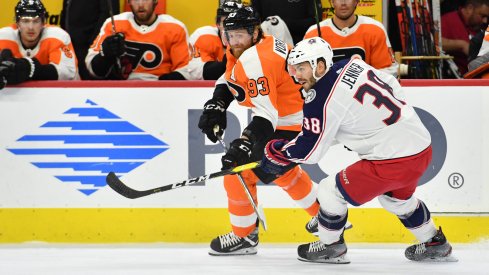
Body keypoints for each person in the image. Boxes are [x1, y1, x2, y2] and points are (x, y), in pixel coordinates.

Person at [261, 37, 456, 263]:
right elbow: (392, 84)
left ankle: (330, 246)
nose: (296, 75)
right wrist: (381, 124)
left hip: (393, 160)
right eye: (294, 69)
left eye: (302, 68)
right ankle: (435, 242)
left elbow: (310, 152)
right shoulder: (351, 64)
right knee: (396, 200)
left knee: (328, 191)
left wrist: (278, 153)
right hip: (421, 145)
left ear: (320, 66)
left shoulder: (319, 98)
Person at [197, 6, 321, 256]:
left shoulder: (256, 61)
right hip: (295, 118)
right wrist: (217, 103)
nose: (234, 41)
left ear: (255, 33)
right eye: (229, 35)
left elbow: (266, 115)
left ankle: (245, 236)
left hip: (291, 125)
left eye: (240, 35)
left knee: (238, 172)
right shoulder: (250, 48)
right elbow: (230, 75)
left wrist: (245, 142)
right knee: (280, 172)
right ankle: (326, 217)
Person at [85, 0, 190, 80]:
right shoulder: (113, 24)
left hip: (161, 95)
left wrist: (164, 84)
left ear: (155, 1)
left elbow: (187, 70)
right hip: (119, 92)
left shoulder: (175, 28)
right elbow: (91, 69)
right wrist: (105, 56)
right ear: (129, 1)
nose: (140, 4)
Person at [303, 0, 398, 77]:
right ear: (332, 1)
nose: (343, 3)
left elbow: (388, 72)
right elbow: (303, 72)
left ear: (356, 1)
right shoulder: (313, 33)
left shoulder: (375, 29)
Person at [0, 0, 78, 90]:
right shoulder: (2, 37)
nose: (31, 27)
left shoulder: (58, 36)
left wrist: (31, 68)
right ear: (17, 23)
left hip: (62, 94)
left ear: (43, 23)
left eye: (36, 21)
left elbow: (67, 73)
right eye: (25, 21)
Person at [160, 0, 242, 80]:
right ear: (218, 24)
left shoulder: (250, 36)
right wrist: (229, 63)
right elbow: (196, 72)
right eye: (227, 22)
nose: (232, 27)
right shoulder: (203, 35)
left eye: (237, 21)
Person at [60, 0, 120, 80]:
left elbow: (108, 14)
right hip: (71, 49)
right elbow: (67, 11)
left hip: (92, 50)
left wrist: (93, 43)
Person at [441, 0, 489, 76]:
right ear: (470, 8)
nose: (485, 21)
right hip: (456, 79)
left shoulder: (481, 27)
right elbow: (436, 43)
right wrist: (462, 45)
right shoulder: (448, 20)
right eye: (482, 16)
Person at [251, 0, 322, 45]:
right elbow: (253, 21)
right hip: (267, 46)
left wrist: (283, 24)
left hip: (301, 47)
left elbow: (316, 21)